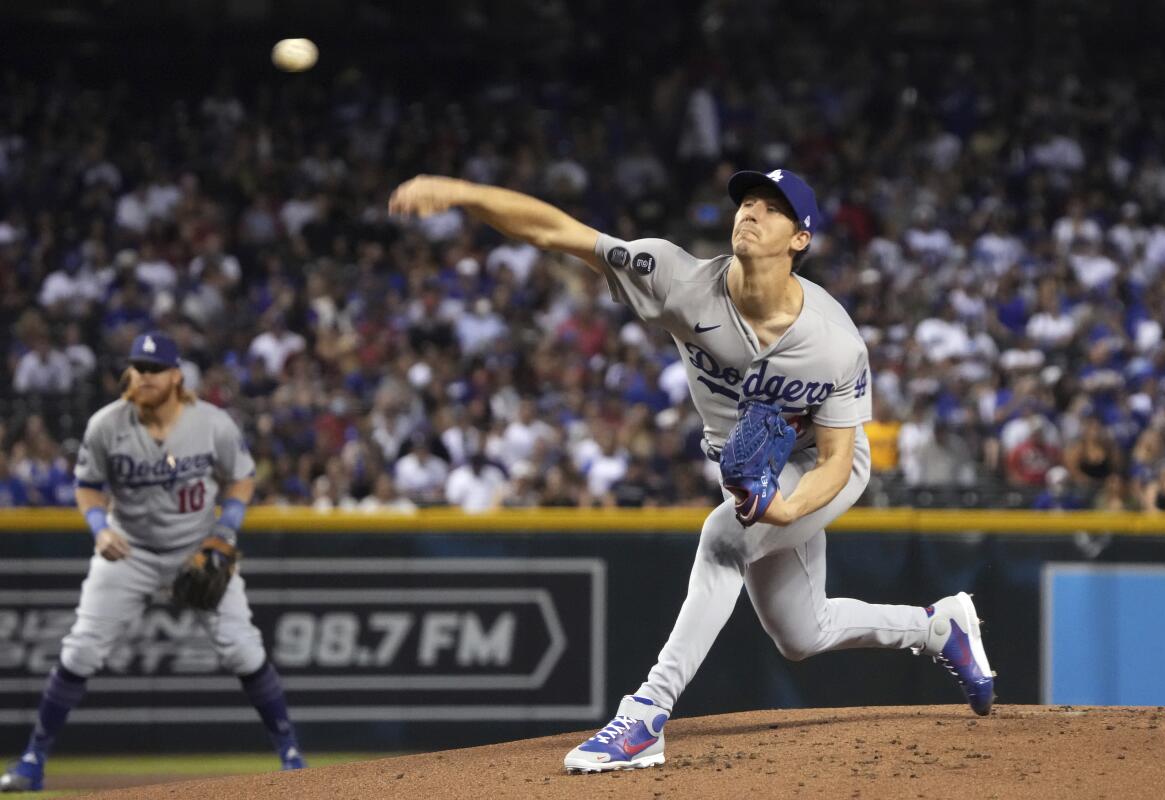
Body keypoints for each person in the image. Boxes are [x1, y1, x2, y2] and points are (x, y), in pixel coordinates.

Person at [388, 169, 994, 775]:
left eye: (773, 208)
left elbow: (838, 459)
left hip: (815, 466)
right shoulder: (677, 278)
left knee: (724, 538)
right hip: (751, 473)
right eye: (747, 201)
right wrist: (464, 194)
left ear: (800, 240)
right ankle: (939, 626)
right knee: (802, 633)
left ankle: (648, 713)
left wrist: (787, 508)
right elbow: (557, 233)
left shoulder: (834, 342)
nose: (751, 212)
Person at [0, 332, 306, 793]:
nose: (143, 377)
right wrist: (99, 527)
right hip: (130, 551)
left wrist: (226, 531)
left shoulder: (211, 423)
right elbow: (87, 485)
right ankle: (32, 761)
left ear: (176, 375)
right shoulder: (107, 424)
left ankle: (292, 755)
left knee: (244, 648)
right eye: (137, 369)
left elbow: (241, 479)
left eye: (154, 369)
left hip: (199, 547)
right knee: (80, 648)